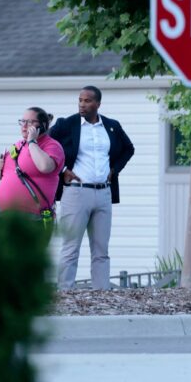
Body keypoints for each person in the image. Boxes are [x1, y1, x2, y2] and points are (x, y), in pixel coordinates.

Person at [50, 86, 135, 290]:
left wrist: (114, 170)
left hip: (104, 193)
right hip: (76, 193)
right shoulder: (66, 124)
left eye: (87, 101)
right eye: (80, 100)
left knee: (101, 250)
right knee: (71, 248)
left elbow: (128, 149)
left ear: (98, 104)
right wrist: (62, 171)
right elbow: (47, 146)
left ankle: (101, 294)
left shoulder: (111, 126)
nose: (82, 104)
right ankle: (65, 293)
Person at [0, 107, 65, 229]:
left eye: (30, 122)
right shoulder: (17, 146)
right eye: (22, 121)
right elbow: (8, 178)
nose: (24, 126)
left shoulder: (51, 146)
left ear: (42, 125)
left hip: (33, 219)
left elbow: (45, 166)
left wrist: (32, 142)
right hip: (8, 217)